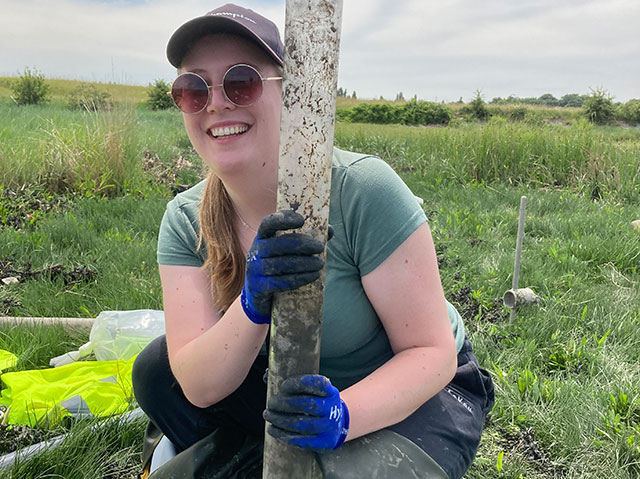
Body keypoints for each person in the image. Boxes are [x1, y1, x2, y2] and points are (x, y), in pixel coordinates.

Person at [132, 4, 494, 478]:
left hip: (417, 389)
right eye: (193, 89)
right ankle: (263, 455)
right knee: (159, 372)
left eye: (242, 82)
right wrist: (251, 306)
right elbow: (198, 386)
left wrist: (346, 414)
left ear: (292, 93)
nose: (217, 103)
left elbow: (432, 353)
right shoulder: (185, 220)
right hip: (287, 386)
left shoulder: (363, 191)